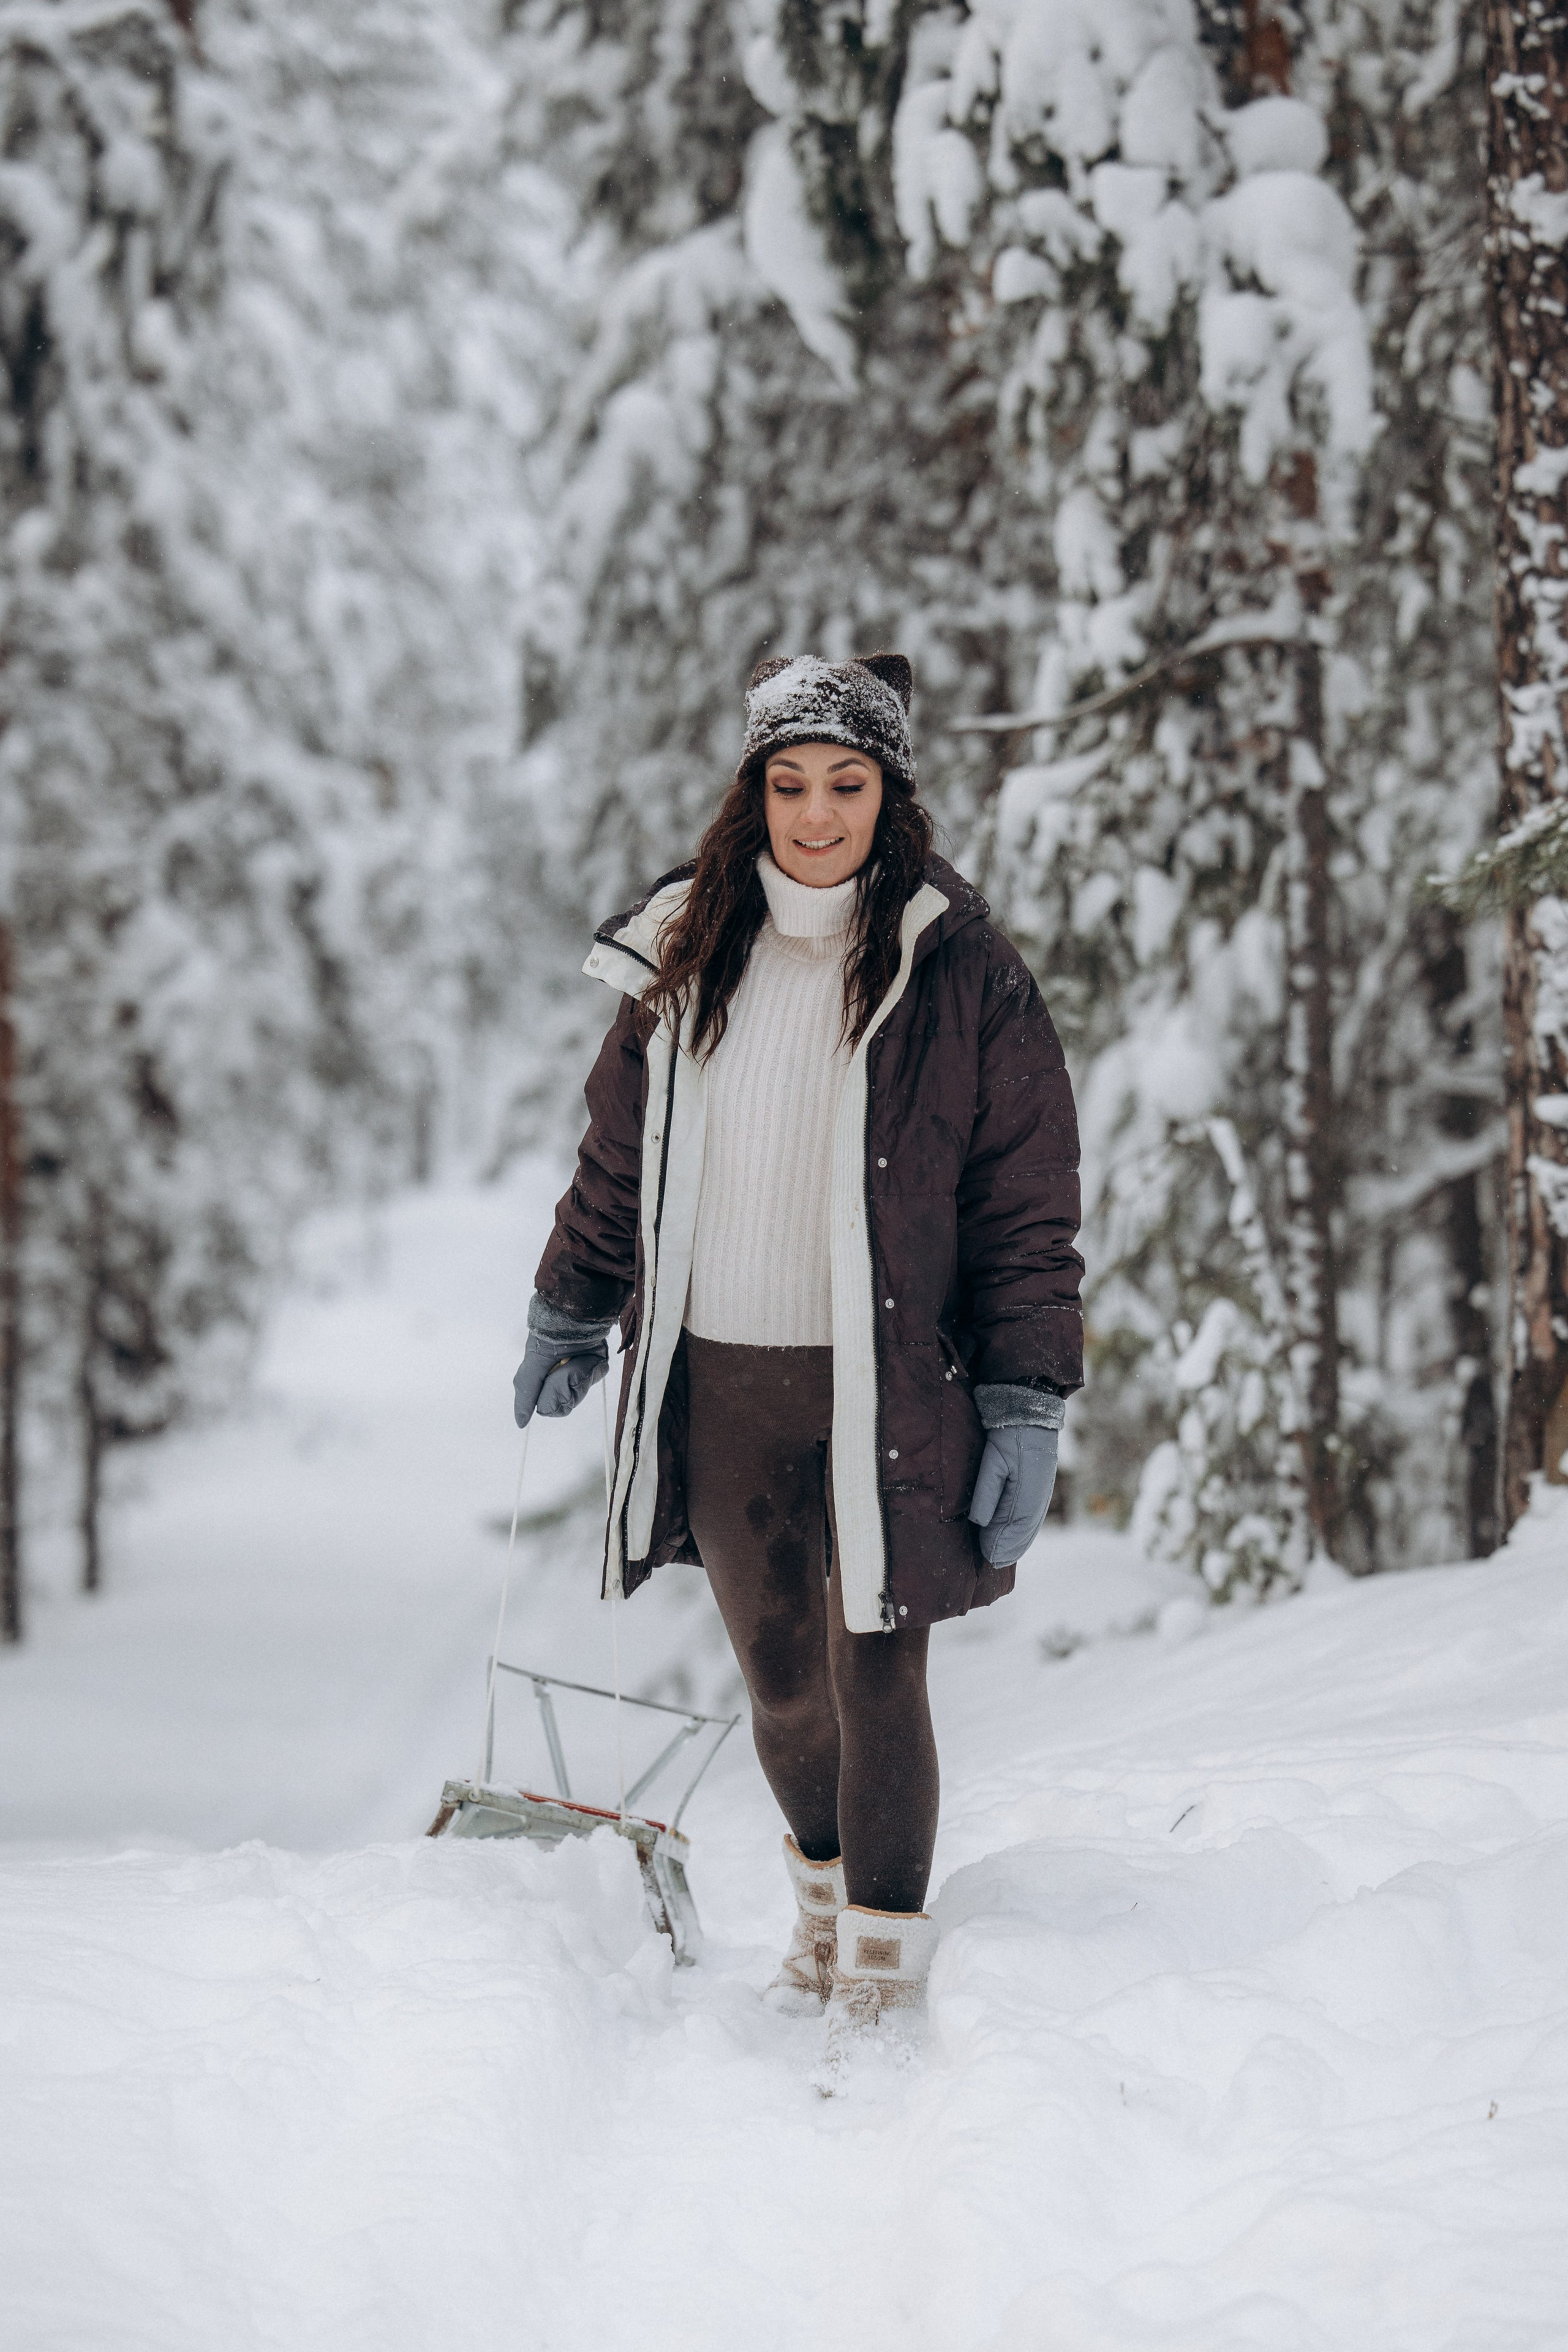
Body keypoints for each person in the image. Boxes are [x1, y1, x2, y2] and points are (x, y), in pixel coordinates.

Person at [513, 653, 1082, 2078]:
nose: (815, 814)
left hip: (886, 1386)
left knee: (875, 1670)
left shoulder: (958, 969)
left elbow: (1024, 1207)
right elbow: (615, 1157)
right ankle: (822, 1916)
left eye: (845, 783)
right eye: (788, 784)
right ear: (752, 796)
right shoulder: (684, 954)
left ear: (888, 796)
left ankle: (882, 1967)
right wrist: (570, 1302)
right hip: (722, 1385)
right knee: (778, 1683)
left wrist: (1024, 1395)